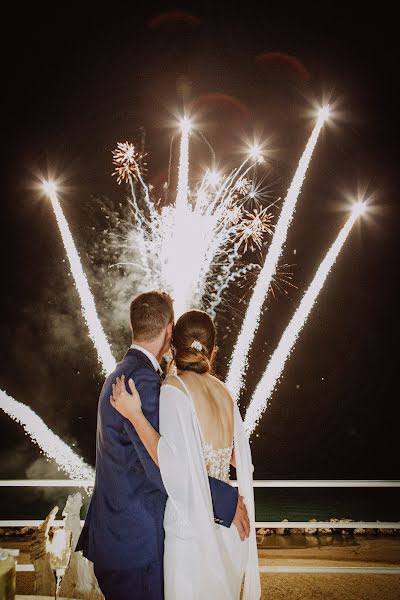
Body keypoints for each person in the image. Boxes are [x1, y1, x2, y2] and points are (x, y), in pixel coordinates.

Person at [76, 291, 250, 600]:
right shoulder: (142, 382)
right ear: (169, 330)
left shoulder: (121, 373)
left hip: (119, 539)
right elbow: (165, 466)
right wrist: (224, 498)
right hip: (136, 547)